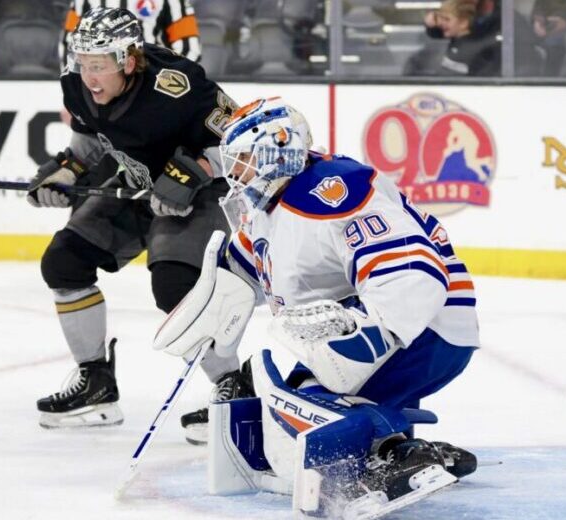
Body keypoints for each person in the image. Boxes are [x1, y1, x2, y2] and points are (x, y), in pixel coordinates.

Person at [153, 97, 480, 517]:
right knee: (291, 403)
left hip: (427, 328)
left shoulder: (332, 192)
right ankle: (402, 442)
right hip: (386, 324)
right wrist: (211, 320)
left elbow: (414, 272)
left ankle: (397, 456)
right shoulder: (267, 203)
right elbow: (244, 271)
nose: (235, 173)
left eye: (245, 160)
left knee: (305, 410)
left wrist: (369, 335)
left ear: (278, 152)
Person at [26, 7, 248, 432]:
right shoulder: (77, 85)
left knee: (174, 286)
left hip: (204, 192)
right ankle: (96, 383)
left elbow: (244, 138)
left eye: (100, 66)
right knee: (64, 262)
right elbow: (91, 138)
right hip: (140, 183)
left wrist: (196, 170)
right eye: (83, 64)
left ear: (128, 60)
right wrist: (66, 170)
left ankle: (233, 386)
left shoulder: (179, 86)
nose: (89, 77)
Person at [60, 0, 201, 66]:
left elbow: (189, 49)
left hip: (153, 89)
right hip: (101, 88)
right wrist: (75, 93)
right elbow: (70, 44)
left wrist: (163, 84)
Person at [404, 0, 500, 77]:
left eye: (446, 19)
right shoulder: (443, 44)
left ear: (463, 22)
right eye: (440, 19)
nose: (442, 24)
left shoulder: (478, 48)